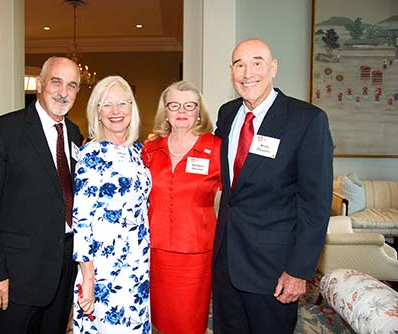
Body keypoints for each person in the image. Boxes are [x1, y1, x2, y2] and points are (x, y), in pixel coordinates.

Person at [212, 38, 333, 334]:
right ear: (231, 71)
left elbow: (315, 205)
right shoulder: (227, 114)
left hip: (273, 269)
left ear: (273, 68)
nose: (247, 72)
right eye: (239, 64)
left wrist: (298, 271)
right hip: (226, 261)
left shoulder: (306, 120)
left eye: (257, 62)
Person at [0, 57, 83, 334]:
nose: (63, 92)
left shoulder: (74, 133)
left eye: (72, 85)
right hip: (18, 272)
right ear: (40, 85)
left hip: (63, 266)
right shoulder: (2, 130)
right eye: (56, 82)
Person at [73, 75, 152, 334]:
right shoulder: (90, 155)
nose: (116, 111)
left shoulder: (139, 152)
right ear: (96, 112)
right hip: (105, 270)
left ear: (132, 107)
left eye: (122, 103)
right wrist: (88, 278)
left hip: (138, 265)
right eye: (106, 105)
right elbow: (82, 222)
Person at [142, 81, 221, 334]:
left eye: (190, 105)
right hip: (153, 252)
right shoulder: (149, 149)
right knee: (158, 320)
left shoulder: (216, 148)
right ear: (165, 111)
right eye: (174, 105)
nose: (182, 111)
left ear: (199, 111)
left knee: (189, 322)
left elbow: (240, 197)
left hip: (196, 254)